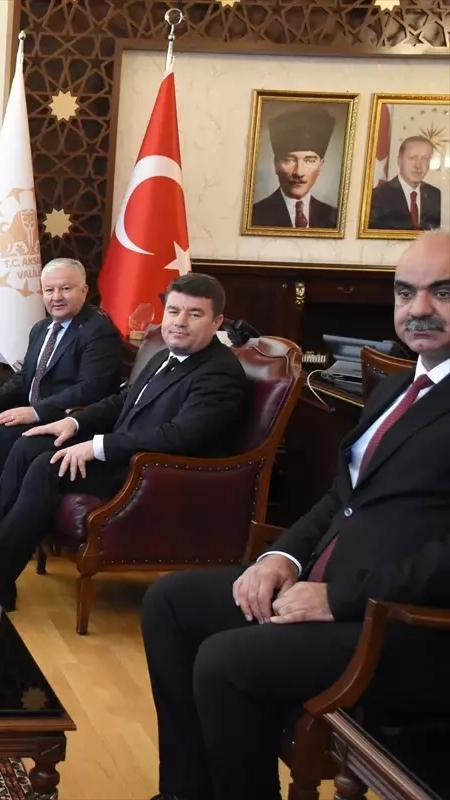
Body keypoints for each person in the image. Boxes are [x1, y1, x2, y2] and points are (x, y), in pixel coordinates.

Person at [141, 231, 450, 800]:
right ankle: (186, 792)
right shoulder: (397, 387)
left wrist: (338, 598)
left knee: (226, 660)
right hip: (327, 589)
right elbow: (340, 497)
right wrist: (281, 557)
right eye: (406, 293)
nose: (419, 309)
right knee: (170, 601)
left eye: (443, 292)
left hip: (402, 626)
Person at [0, 273, 250, 610]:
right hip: (128, 454)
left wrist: (97, 446)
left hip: (159, 473)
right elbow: (123, 400)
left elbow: (179, 435)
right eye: (174, 311)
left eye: (195, 314)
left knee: (48, 468)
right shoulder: (166, 354)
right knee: (29, 445)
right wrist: (72, 422)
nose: (180, 322)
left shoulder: (219, 372)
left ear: (217, 321)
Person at [0, 258, 122, 541]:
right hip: (36, 412)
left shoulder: (98, 332)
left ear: (84, 290)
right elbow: (25, 377)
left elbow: (90, 390)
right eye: (49, 290)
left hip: (66, 421)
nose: (56, 297)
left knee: (0, 431)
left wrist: (36, 411)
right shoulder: (42, 328)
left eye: (65, 289)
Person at [250, 107, 339, 230]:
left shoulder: (335, 218)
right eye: (289, 160)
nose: (299, 172)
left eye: (309, 160)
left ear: (321, 166)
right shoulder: (254, 216)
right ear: (276, 164)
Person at [368, 135, 442, 231]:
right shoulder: (377, 196)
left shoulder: (435, 194)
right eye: (412, 158)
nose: (418, 165)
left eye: (424, 158)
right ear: (399, 161)